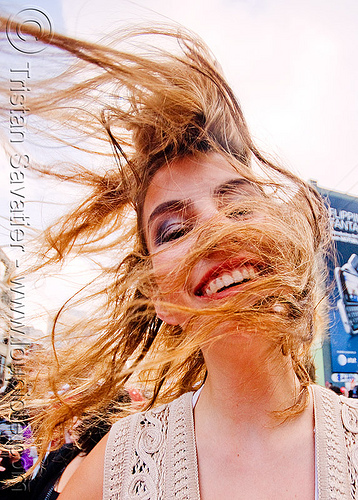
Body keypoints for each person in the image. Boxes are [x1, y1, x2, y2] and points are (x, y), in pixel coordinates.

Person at [0, 16, 357, 500]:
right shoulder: (113, 470)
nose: (216, 227)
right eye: (173, 229)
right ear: (158, 297)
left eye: (239, 205)